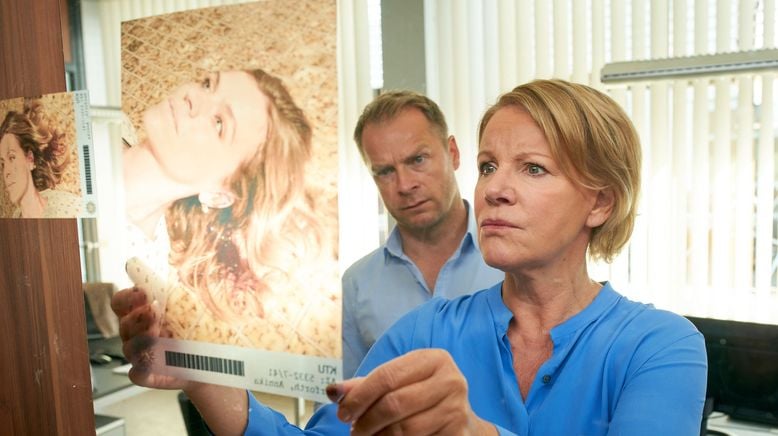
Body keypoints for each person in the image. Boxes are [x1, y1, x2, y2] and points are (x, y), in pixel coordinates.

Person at [112, 79, 707, 435]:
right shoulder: (423, 330)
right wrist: (198, 373)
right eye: (488, 165)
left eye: (533, 168)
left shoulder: (660, 346)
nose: (496, 188)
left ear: (599, 203)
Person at [121, 68, 339, 355]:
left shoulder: (140, 277)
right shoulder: (98, 122)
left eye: (220, 123)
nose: (193, 96)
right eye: (208, 84)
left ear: (219, 195)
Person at [342, 91, 503, 377]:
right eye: (385, 172)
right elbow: (349, 408)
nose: (404, 185)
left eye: (417, 160)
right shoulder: (358, 285)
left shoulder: (512, 264)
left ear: (452, 153)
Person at [0, 101, 82, 218]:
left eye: (12, 157)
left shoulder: (67, 209)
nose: (6, 172)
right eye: (3, 163)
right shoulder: (16, 216)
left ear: (30, 159)